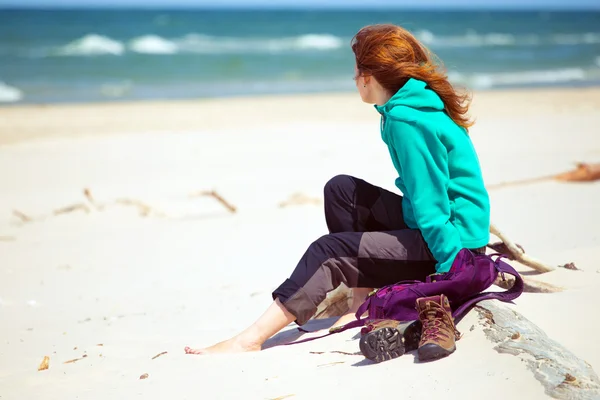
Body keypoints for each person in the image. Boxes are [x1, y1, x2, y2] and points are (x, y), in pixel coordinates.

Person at [184, 24, 490, 355]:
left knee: (329, 252)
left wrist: (453, 272)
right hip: (441, 229)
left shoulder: (407, 120)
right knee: (342, 191)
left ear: (368, 76)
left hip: (452, 247)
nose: (353, 77)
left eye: (356, 69)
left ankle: (249, 340)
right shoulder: (405, 106)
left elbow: (431, 205)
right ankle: (358, 304)